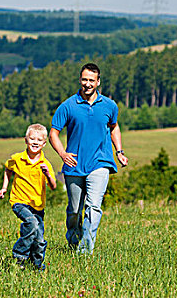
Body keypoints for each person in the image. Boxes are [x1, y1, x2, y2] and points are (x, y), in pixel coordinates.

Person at [49, 62, 128, 254]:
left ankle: (85, 251)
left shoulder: (109, 105)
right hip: (74, 165)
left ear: (98, 82)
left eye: (91, 80)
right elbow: (53, 133)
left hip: (100, 163)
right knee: (75, 211)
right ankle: (73, 240)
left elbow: (114, 127)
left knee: (93, 207)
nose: (87, 84)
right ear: (80, 80)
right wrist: (62, 154)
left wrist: (119, 151)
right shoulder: (68, 105)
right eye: (84, 79)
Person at [0, 124, 57, 270]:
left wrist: (47, 175)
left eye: (39, 140)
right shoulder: (17, 158)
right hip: (19, 201)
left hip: (37, 205)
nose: (35, 142)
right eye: (32, 138)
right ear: (26, 140)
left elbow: (53, 186)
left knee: (39, 239)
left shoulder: (45, 164)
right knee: (31, 223)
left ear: (44, 143)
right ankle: (19, 256)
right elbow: (8, 169)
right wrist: (5, 187)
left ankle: (36, 265)